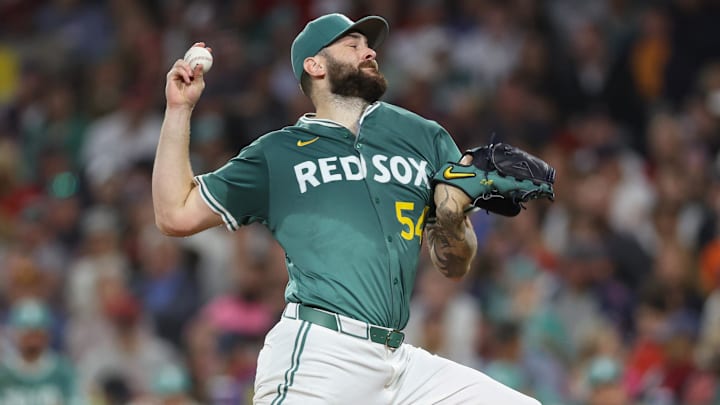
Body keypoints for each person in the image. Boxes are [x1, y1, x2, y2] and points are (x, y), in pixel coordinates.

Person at [153, 12, 541, 404]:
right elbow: (175, 214)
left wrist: (452, 220)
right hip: (321, 353)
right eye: (352, 45)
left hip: (399, 361)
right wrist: (179, 109)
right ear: (315, 65)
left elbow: (454, 265)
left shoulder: (424, 136)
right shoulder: (277, 153)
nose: (369, 51)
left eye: (368, 45)